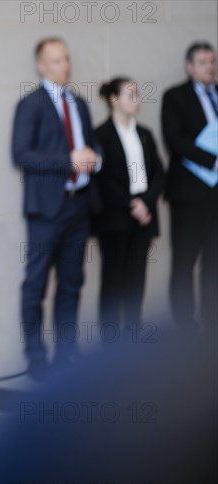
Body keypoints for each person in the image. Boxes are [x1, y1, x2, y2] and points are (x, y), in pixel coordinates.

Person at [11, 38, 102, 374]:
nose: (66, 65)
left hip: (79, 207)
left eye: (67, 58)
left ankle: (67, 355)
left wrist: (94, 159)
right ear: (41, 65)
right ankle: (36, 360)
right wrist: (68, 160)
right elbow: (21, 154)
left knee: (72, 284)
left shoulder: (78, 103)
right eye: (57, 59)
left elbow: (90, 146)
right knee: (35, 285)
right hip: (46, 210)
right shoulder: (30, 104)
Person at [93, 78, 165, 335]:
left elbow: (158, 172)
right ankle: (110, 344)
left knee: (137, 280)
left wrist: (145, 203)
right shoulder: (101, 134)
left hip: (143, 217)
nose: (137, 99)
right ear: (113, 99)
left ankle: (133, 338)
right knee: (112, 281)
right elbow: (104, 179)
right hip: (115, 218)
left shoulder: (144, 133)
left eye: (138, 94)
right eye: (130, 94)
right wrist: (131, 204)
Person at [161, 42, 218, 332]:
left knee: (214, 260)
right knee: (185, 259)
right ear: (190, 66)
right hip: (190, 194)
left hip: (215, 195)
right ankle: (184, 325)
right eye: (203, 62)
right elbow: (175, 140)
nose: (210, 67)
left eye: (212, 61)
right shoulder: (175, 97)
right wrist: (213, 161)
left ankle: (212, 317)